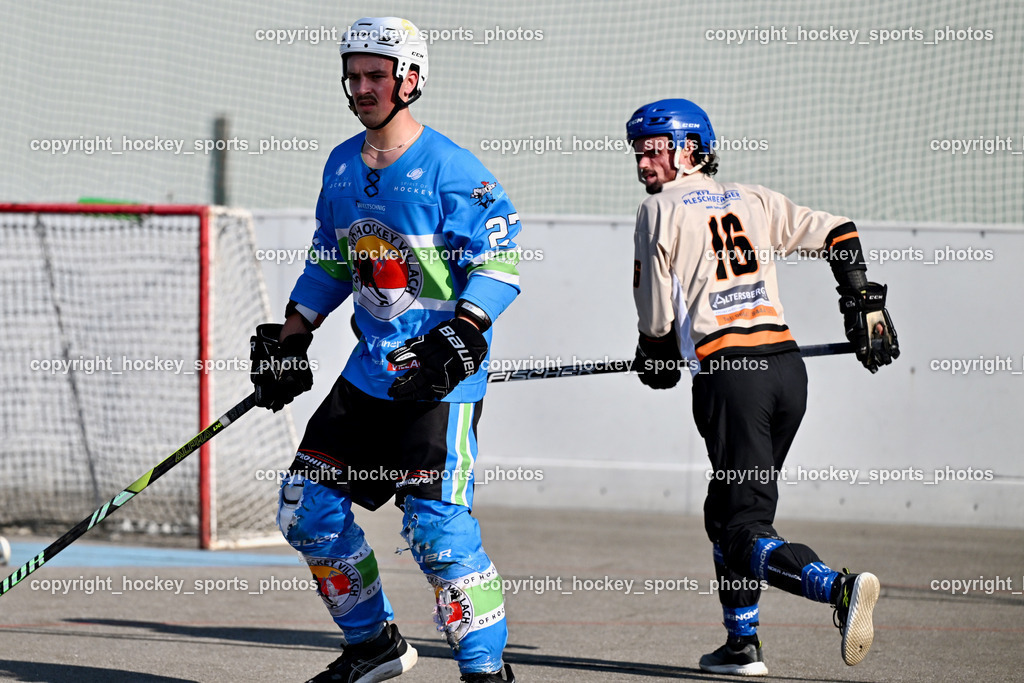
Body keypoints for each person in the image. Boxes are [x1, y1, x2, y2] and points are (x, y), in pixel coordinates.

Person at [249, 17, 520, 683]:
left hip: (436, 383)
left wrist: (466, 329)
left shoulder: (452, 169)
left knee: (434, 529)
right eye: (355, 73)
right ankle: (373, 643)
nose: (362, 86)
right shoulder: (342, 164)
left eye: (377, 74)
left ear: (411, 80)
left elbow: (501, 262)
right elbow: (331, 259)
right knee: (305, 505)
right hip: (369, 376)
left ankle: (486, 671)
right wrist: (292, 333)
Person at [626, 99, 899, 676]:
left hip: (732, 378)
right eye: (638, 151)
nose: (644, 162)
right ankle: (741, 644)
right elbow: (837, 231)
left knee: (743, 523)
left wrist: (654, 353)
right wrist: (860, 299)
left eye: (654, 149)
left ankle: (837, 588)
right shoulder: (753, 198)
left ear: (689, 150)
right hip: (786, 373)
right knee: (727, 509)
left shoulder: (658, 211)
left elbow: (654, 314)